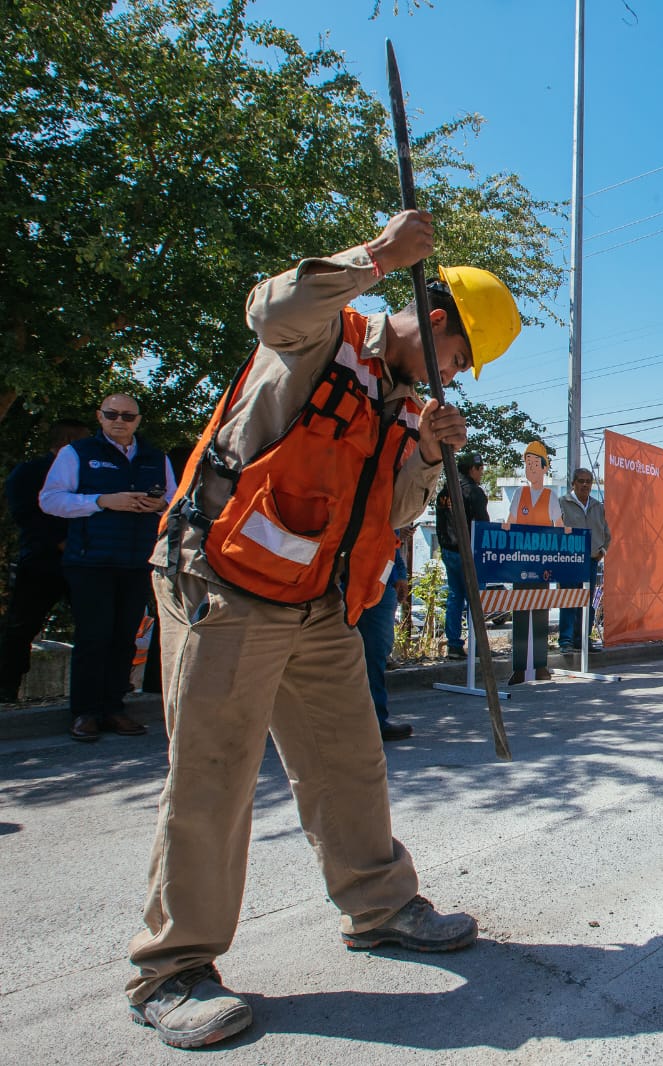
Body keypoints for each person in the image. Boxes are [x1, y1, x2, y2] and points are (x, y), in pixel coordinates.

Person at [129, 210, 521, 1049]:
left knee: (349, 759)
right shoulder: (324, 334)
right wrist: (377, 256)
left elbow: (393, 514)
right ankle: (172, 969)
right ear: (437, 320)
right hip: (224, 585)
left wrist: (423, 454)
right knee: (212, 771)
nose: (453, 378)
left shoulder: (401, 403)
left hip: (316, 607)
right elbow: (268, 311)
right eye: (457, 360)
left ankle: (378, 907)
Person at [39, 394, 174, 742]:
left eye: (127, 416)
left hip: (136, 560)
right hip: (91, 560)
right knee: (93, 637)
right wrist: (101, 501)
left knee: (124, 638)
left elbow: (177, 503)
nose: (120, 421)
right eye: (112, 414)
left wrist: (159, 504)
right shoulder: (77, 453)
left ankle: (115, 708)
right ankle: (85, 713)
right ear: (99, 417)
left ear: (138, 420)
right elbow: (50, 500)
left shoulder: (155, 457)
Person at [0, 419, 90, 702]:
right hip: (41, 562)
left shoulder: (87, 473)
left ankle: (92, 694)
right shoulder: (30, 472)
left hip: (84, 561)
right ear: (69, 442)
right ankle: (5, 690)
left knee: (93, 626)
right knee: (21, 626)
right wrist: (58, 542)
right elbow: (24, 514)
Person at [504, 438, 566, 683]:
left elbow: (559, 526)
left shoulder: (551, 496)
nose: (530, 468)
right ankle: (519, 669)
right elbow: (509, 522)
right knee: (519, 612)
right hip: (520, 562)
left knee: (540, 612)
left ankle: (540, 666)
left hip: (542, 564)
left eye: (535, 463)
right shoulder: (520, 493)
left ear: (544, 467)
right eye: (527, 463)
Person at [356, 540, 413, 741]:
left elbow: (390, 538)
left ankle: (376, 721)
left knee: (375, 655)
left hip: (380, 583)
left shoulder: (387, 509)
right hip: (344, 578)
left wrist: (400, 574)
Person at [436, 452, 490, 660]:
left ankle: (454, 645)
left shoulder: (444, 491)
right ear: (472, 469)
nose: (482, 474)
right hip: (469, 553)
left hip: (449, 550)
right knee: (475, 599)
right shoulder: (473, 492)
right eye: (481, 470)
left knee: (455, 596)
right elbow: (483, 525)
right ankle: (477, 645)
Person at [558, 466, 609, 652]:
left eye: (588, 481)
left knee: (586, 602)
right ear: (573, 483)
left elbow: (606, 533)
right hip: (569, 561)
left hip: (590, 561)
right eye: (581, 481)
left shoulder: (597, 506)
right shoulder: (562, 503)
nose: (585, 484)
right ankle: (566, 641)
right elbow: (555, 530)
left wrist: (601, 550)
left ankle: (583, 640)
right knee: (569, 599)